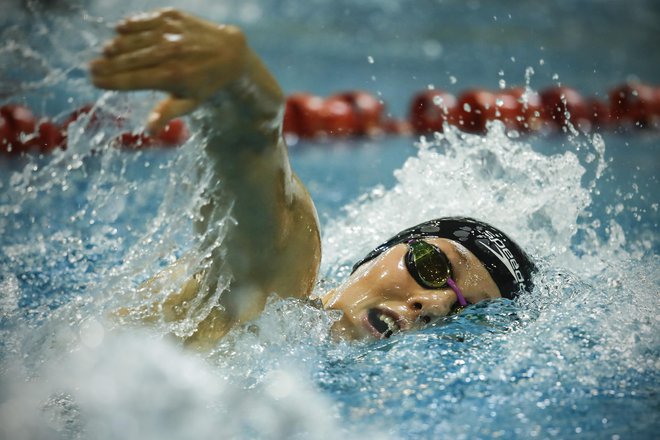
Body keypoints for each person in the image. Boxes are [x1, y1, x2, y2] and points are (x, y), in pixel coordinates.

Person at [90, 9, 535, 349]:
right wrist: (243, 90)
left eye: (465, 315)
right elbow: (259, 173)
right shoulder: (280, 293)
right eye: (434, 267)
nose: (436, 305)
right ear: (382, 252)